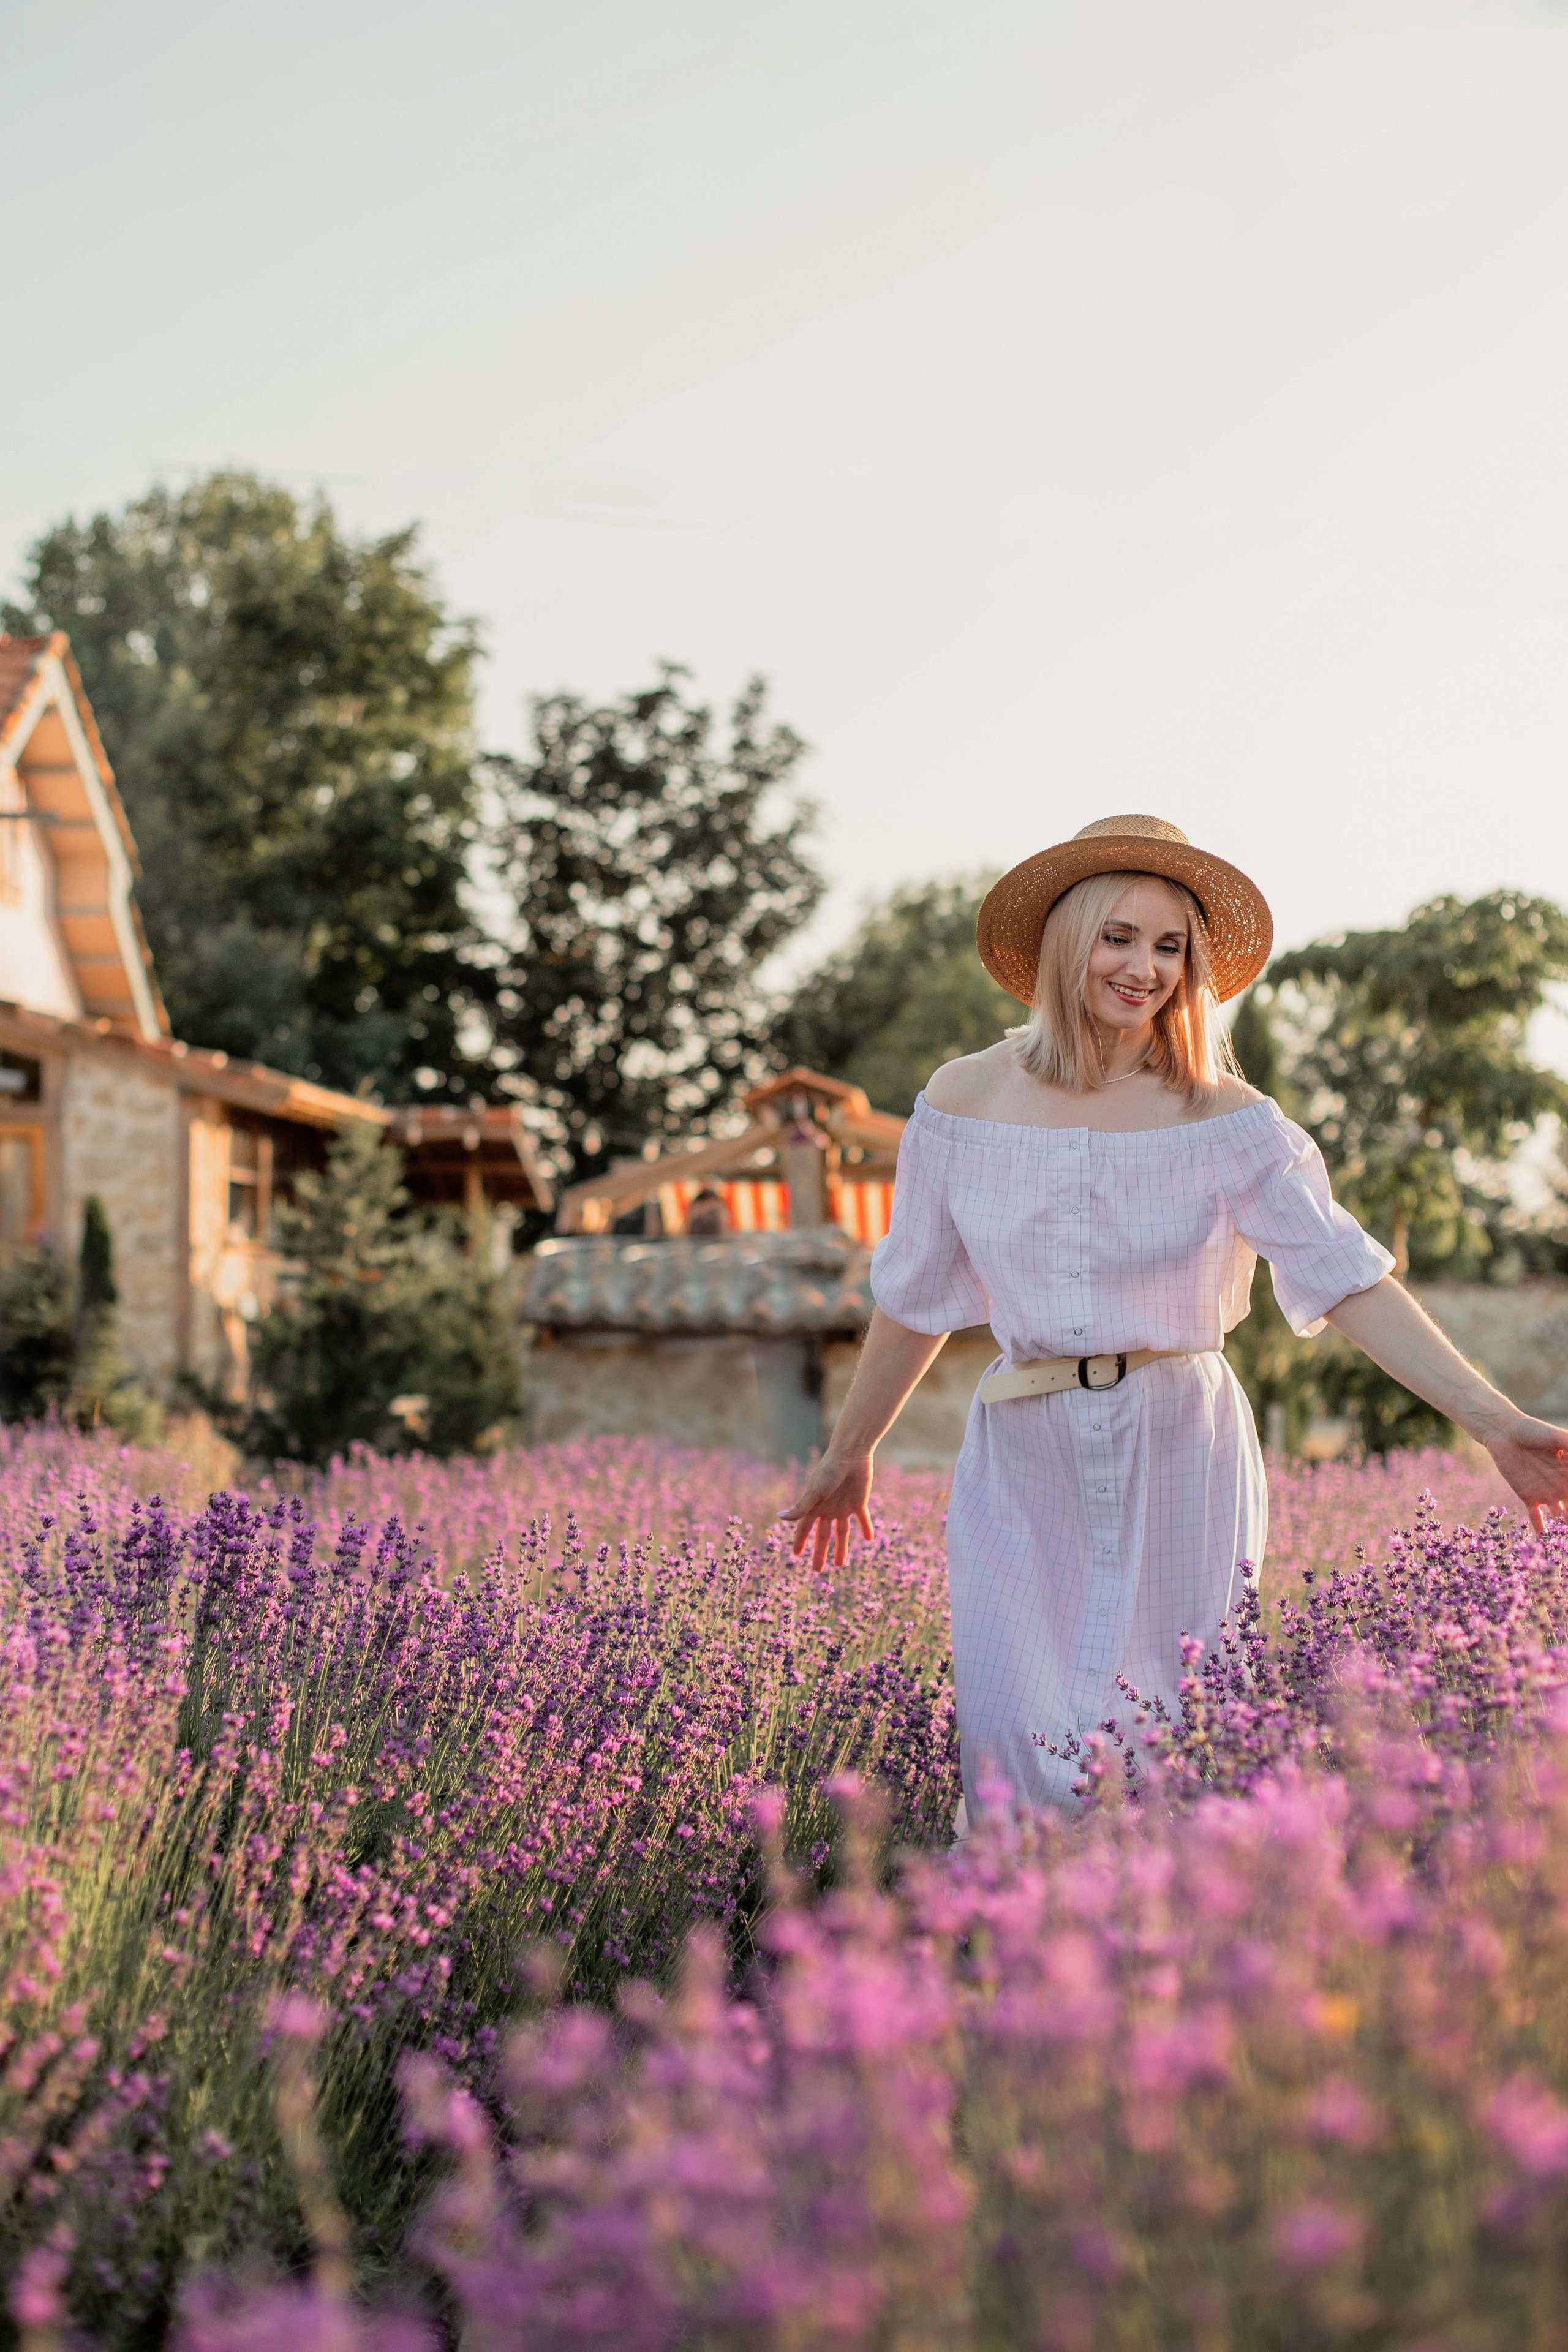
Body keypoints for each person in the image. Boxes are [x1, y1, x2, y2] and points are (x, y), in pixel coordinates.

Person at [782, 814, 1568, 1817]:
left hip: (1180, 1439)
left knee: (1174, 1746)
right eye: (1119, 936)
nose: (1143, 967)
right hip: (1020, 1454)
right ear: (1067, 940)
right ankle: (1014, 1963)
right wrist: (849, 1454)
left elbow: (1348, 1278)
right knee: (1014, 1752)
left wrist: (1496, 1421)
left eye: (1169, 947)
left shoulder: (1226, 1118)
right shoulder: (962, 1103)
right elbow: (913, 1298)